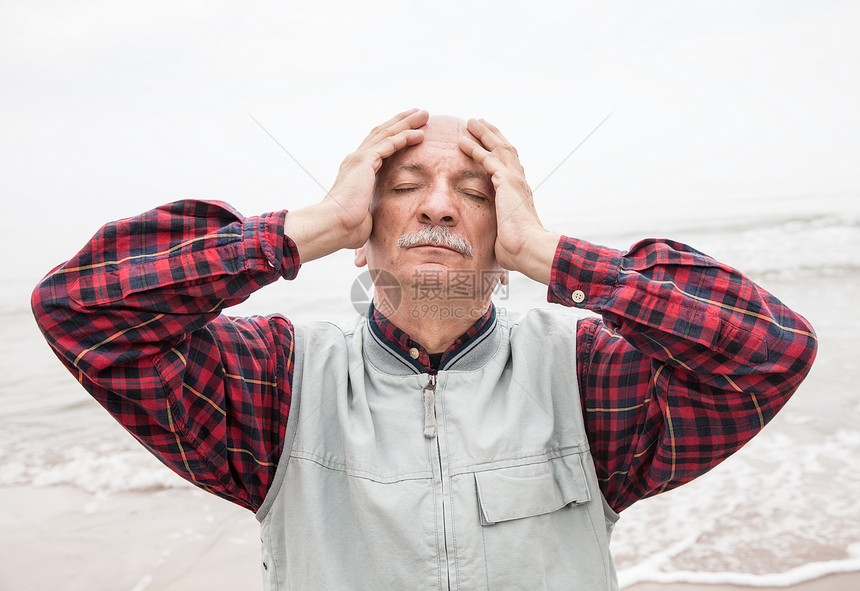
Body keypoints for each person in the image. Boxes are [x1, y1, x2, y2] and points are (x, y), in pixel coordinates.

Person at [32, 109, 817, 590]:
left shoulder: (584, 375)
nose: (440, 204)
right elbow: (82, 311)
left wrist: (552, 254)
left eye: (476, 193)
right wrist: (294, 235)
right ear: (360, 236)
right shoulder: (277, 384)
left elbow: (769, 350)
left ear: (501, 235)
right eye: (404, 186)